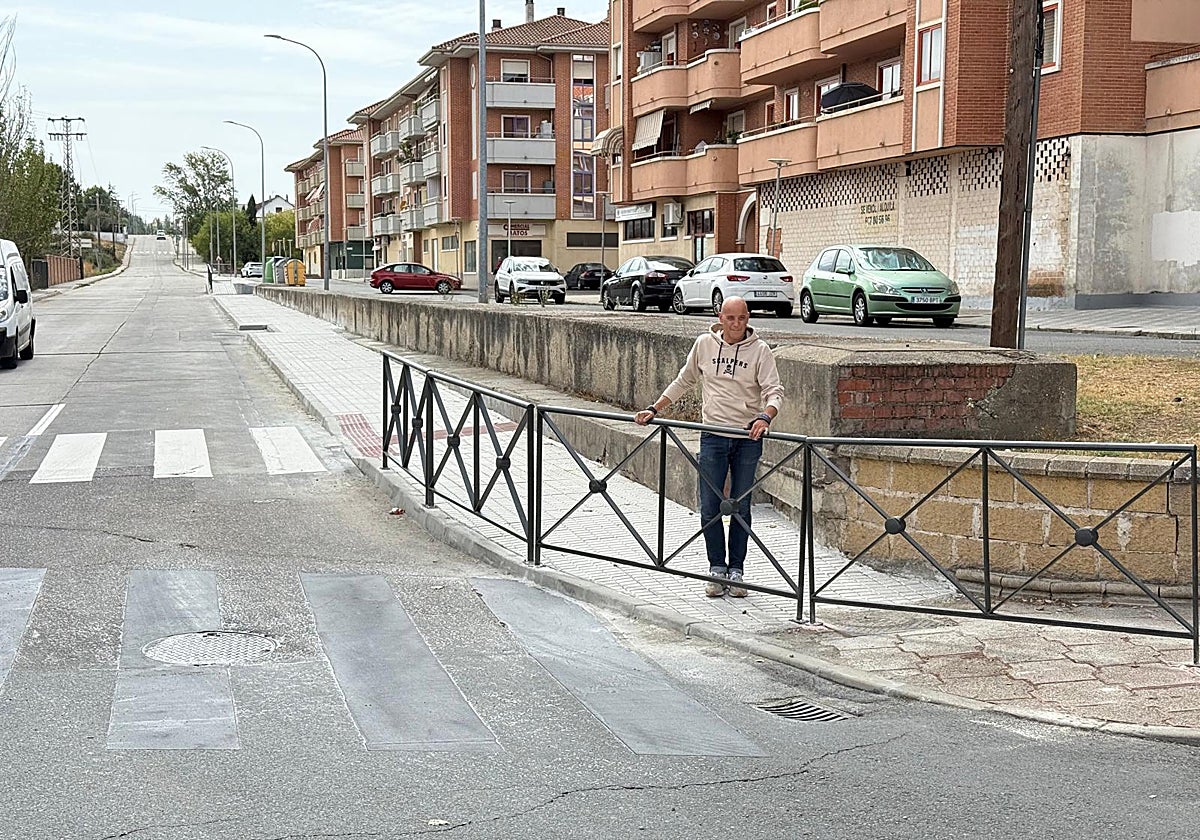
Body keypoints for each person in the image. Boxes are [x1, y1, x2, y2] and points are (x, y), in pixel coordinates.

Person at [635, 297, 783, 598]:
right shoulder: (704, 344)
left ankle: (737, 570)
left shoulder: (761, 351)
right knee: (709, 506)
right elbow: (684, 380)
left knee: (740, 507)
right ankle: (716, 567)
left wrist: (765, 416)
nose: (736, 324)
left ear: (748, 318)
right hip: (712, 435)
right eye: (730, 318)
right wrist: (655, 408)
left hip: (747, 438)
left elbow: (774, 391)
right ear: (720, 317)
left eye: (741, 318)